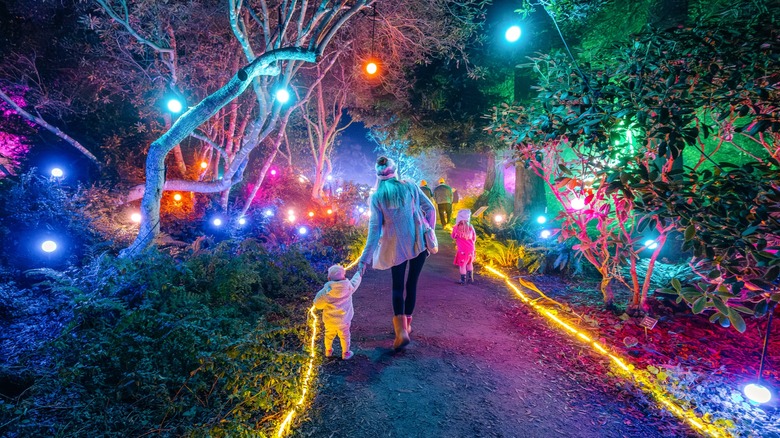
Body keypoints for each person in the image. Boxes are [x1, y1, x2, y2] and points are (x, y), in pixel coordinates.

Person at [358, 156, 437, 350]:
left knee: (397, 287)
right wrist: (430, 230)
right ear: (395, 170)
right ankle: (407, 325)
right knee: (412, 284)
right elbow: (431, 208)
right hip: (418, 243)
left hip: (395, 248)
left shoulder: (377, 197)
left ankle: (400, 331)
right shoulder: (410, 186)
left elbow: (374, 230)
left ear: (378, 175)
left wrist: (364, 259)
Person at [313, 264, 362, 360]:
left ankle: (328, 351)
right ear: (344, 276)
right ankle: (345, 353)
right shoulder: (349, 287)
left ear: (328, 278)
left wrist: (324, 305)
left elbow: (317, 304)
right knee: (345, 336)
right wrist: (358, 273)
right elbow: (355, 282)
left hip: (330, 320)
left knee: (328, 335)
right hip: (344, 320)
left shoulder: (325, 292)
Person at [451, 209, 477, 285]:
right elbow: (474, 238)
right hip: (471, 249)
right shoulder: (471, 227)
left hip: (462, 250)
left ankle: (463, 280)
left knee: (462, 265)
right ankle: (470, 278)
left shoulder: (456, 228)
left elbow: (453, 236)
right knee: (469, 263)